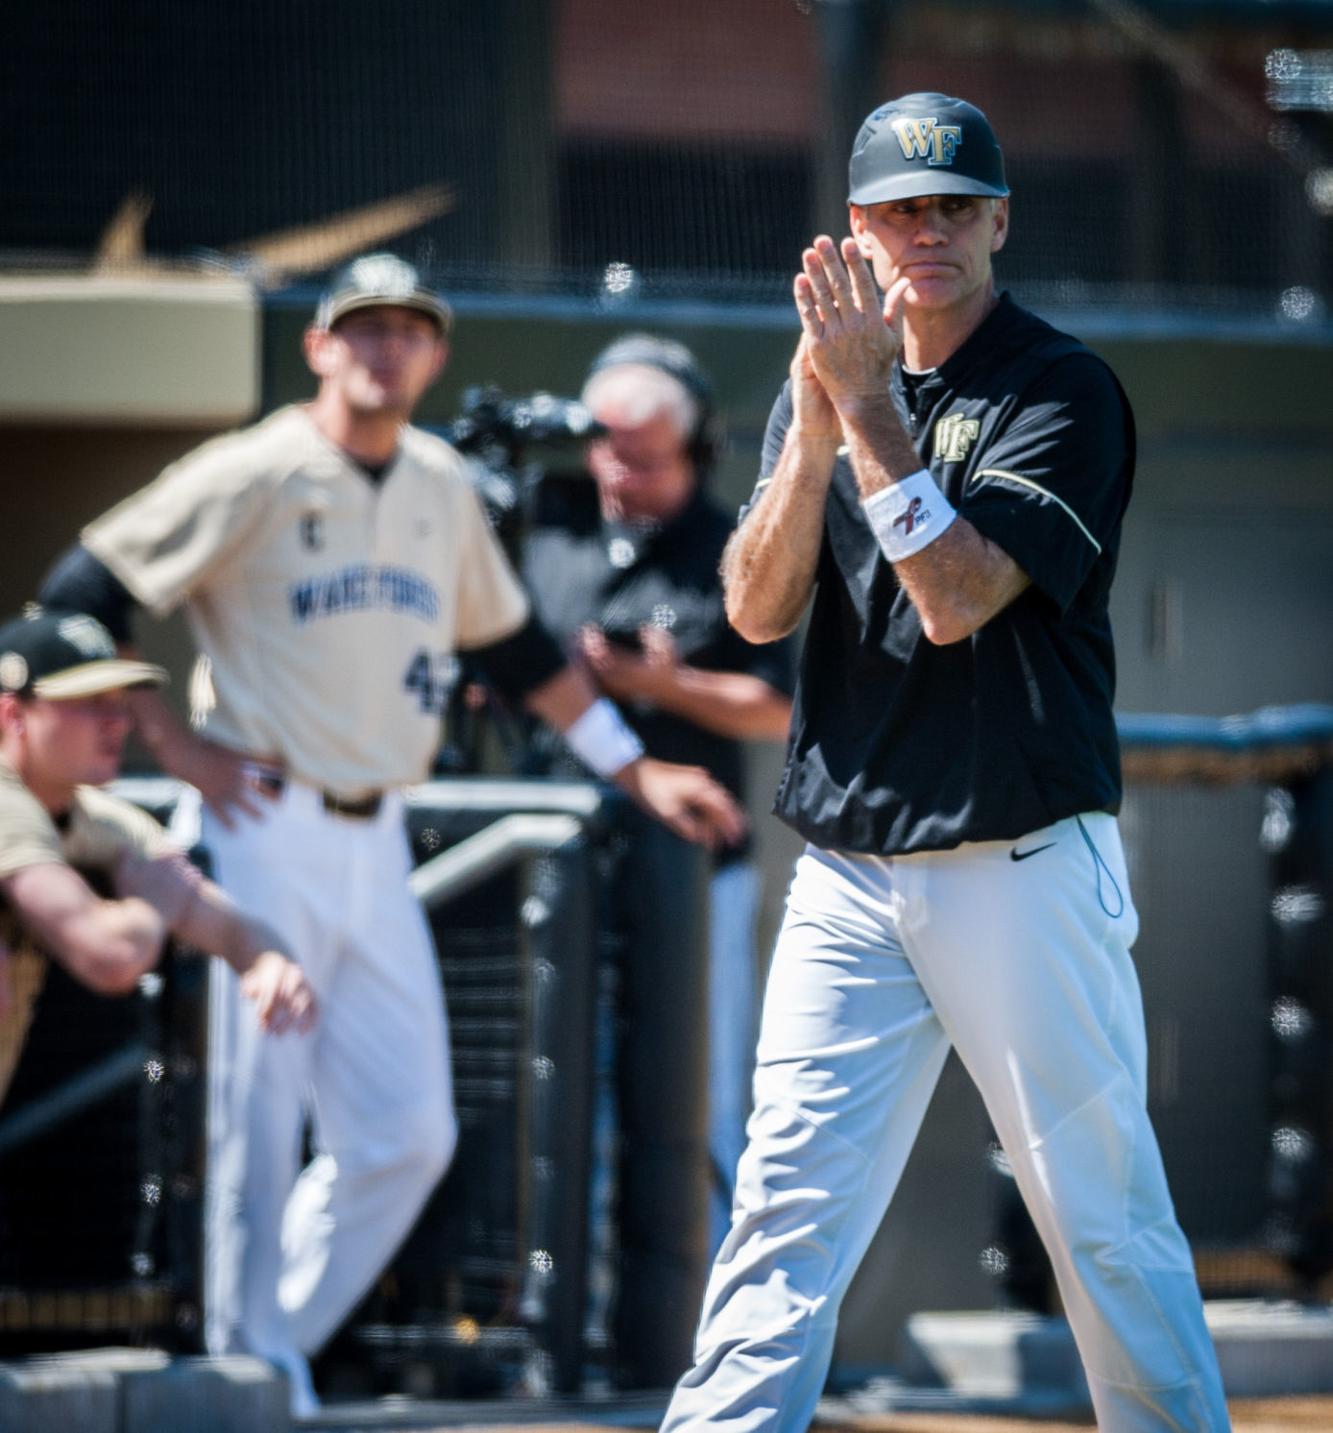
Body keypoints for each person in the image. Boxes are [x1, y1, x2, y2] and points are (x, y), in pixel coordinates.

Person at [37, 253, 743, 1415]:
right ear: (318, 345)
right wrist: (170, 739)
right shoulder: (255, 467)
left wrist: (638, 766)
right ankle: (246, 1375)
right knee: (256, 1127)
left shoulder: (436, 481)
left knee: (409, 1130)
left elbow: (516, 655)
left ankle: (267, 1351)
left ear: (435, 353)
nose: (382, 349)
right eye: (360, 328)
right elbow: (78, 594)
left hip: (380, 837)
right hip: (263, 822)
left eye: (405, 330)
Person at [661, 93, 1230, 1431]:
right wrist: (811, 434)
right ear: (853, 229)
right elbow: (752, 607)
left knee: (1100, 1223)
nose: (927, 230)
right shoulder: (828, 382)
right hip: (850, 866)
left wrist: (865, 407)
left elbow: (956, 595)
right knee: (780, 1217)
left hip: (1017, 858)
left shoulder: (1059, 385)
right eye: (897, 209)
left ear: (999, 221)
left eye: (953, 205)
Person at [522, 335, 793, 1251]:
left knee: (701, 1092)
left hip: (691, 871)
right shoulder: (547, 530)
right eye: (603, 446)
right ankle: (565, 1315)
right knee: (555, 1090)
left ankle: (710, 1316)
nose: (615, 470)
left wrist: (661, 687)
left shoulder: (731, 547)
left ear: (695, 450)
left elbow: (780, 707)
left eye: (641, 454)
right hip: (555, 864)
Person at [0, 609, 315, 1107]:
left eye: (119, 700)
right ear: (13, 716)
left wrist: (267, 957)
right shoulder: (7, 807)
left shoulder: (89, 814)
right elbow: (111, 957)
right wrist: (150, 909)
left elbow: (221, 921)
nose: (118, 721)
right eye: (88, 701)